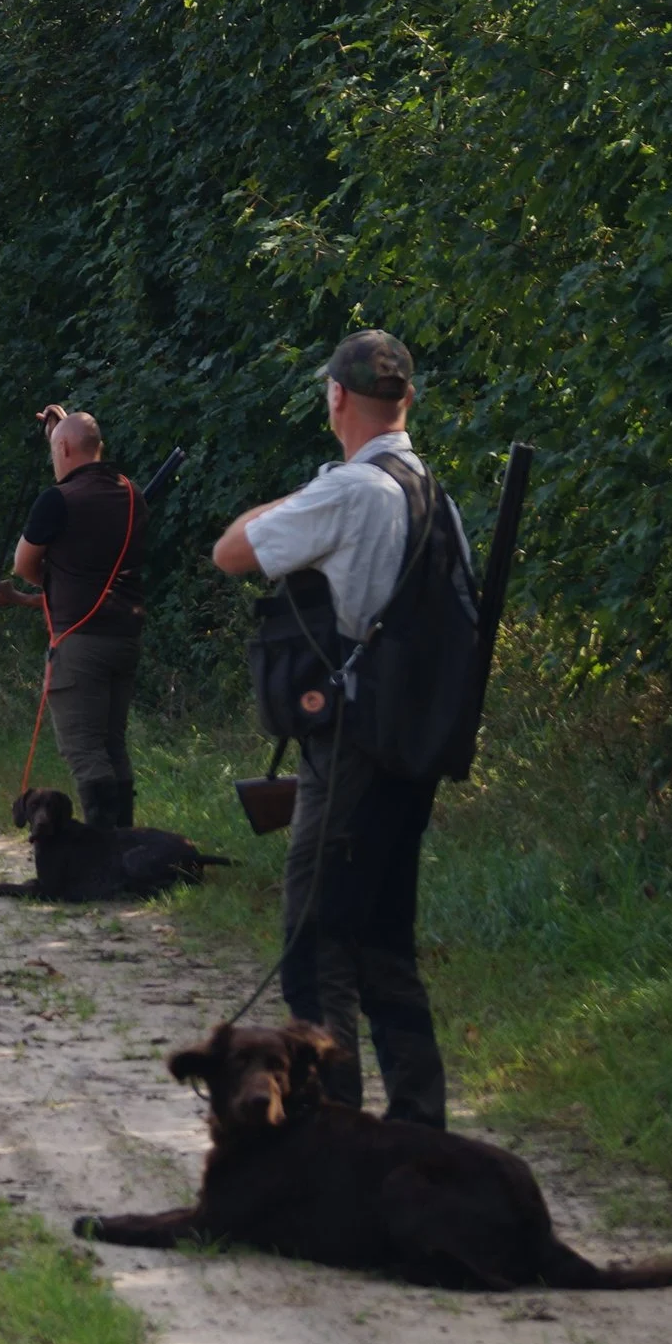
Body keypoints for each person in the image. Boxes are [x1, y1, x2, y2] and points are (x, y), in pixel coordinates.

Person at [211, 329, 459, 1128]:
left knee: (316, 943)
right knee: (385, 941)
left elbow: (232, 551)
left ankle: (332, 1125)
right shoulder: (433, 492)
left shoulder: (350, 492)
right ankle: (417, 1122)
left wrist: (296, 498)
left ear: (336, 398)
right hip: (414, 745)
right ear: (407, 400)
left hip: (351, 743)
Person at [12, 405, 148, 830]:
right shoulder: (132, 494)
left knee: (85, 751)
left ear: (66, 449)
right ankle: (123, 845)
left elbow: (23, 565)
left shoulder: (58, 499)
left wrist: (53, 587)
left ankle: (103, 848)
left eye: (55, 450)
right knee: (112, 746)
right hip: (125, 636)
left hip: (79, 641)